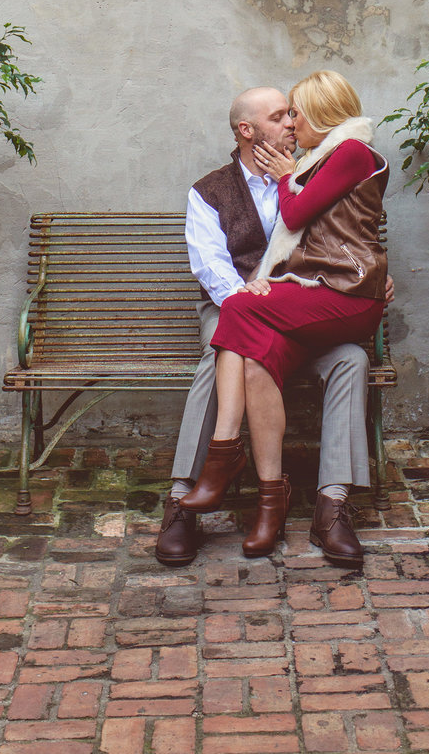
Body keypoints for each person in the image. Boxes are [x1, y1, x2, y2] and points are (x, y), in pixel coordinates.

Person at [155, 84, 386, 570]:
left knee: (353, 358)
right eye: (280, 117)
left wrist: (375, 278)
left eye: (291, 115)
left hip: (304, 308)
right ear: (246, 131)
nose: (291, 123)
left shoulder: (312, 171)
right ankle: (182, 501)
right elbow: (210, 267)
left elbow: (350, 237)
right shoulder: (209, 192)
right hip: (237, 305)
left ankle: (333, 504)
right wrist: (245, 293)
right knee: (221, 351)